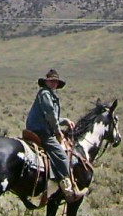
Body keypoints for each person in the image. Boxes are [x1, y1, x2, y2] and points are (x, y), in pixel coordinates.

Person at [25, 68, 83, 202]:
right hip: (41, 131)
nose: (54, 84)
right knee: (62, 156)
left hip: (38, 128)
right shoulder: (45, 94)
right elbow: (50, 114)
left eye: (55, 82)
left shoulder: (48, 95)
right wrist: (58, 131)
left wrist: (65, 121)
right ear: (46, 82)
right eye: (51, 81)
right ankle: (68, 189)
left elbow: (52, 116)